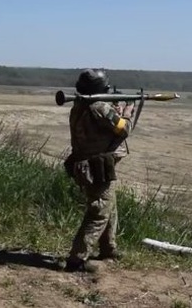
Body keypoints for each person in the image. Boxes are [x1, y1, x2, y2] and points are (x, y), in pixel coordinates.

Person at [62, 68, 139, 273]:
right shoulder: (99, 108)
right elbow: (123, 128)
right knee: (99, 211)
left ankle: (108, 248)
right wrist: (127, 113)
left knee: (109, 206)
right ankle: (77, 258)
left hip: (89, 163)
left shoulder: (80, 105)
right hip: (96, 166)